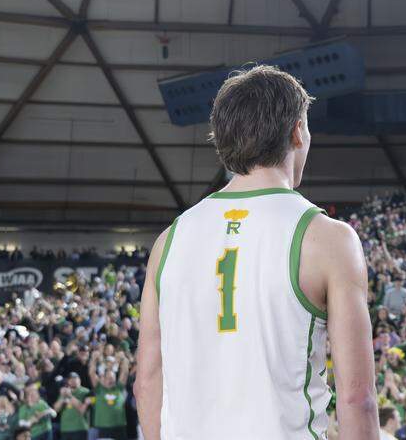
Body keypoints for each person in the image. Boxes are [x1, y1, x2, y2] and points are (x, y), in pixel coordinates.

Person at [135, 65, 378, 439]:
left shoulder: (169, 240)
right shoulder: (328, 239)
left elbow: (147, 382)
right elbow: (356, 398)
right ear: (297, 131)